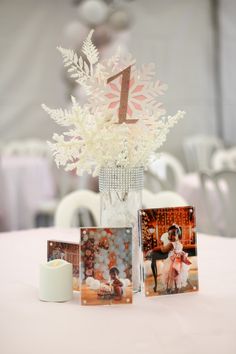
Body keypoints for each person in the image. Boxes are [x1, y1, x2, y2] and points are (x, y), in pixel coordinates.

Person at [161, 224, 191, 294]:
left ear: (179, 236)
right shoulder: (180, 244)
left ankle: (170, 288)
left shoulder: (171, 244)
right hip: (179, 263)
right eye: (169, 234)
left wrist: (161, 245)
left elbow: (163, 250)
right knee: (178, 276)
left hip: (172, 262)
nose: (170, 236)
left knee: (170, 276)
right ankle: (177, 288)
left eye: (173, 234)